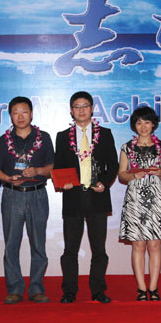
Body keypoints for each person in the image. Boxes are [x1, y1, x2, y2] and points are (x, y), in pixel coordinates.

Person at [54, 91, 118, 304]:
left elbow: (113, 164)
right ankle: (69, 291)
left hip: (97, 196)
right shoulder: (62, 136)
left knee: (99, 249)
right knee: (70, 249)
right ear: (71, 111)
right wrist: (63, 182)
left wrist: (104, 183)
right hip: (73, 197)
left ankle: (98, 291)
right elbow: (58, 166)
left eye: (85, 106)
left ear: (92, 109)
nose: (81, 110)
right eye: (77, 106)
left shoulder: (105, 134)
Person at [0, 96, 54, 304]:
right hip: (12, 195)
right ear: (10, 115)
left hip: (37, 194)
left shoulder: (44, 138)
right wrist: (7, 178)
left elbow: (52, 168)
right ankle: (15, 289)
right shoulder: (3, 140)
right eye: (15, 112)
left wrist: (37, 170)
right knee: (11, 244)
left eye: (24, 111)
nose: (20, 116)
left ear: (31, 114)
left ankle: (36, 288)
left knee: (38, 244)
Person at [118, 106, 161, 301]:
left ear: (153, 124)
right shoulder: (126, 147)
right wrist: (132, 176)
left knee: (154, 244)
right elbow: (121, 174)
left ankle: (154, 287)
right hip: (135, 198)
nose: (143, 126)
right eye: (139, 122)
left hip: (155, 197)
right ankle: (141, 288)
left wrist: (160, 173)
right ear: (134, 125)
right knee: (138, 244)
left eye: (147, 122)